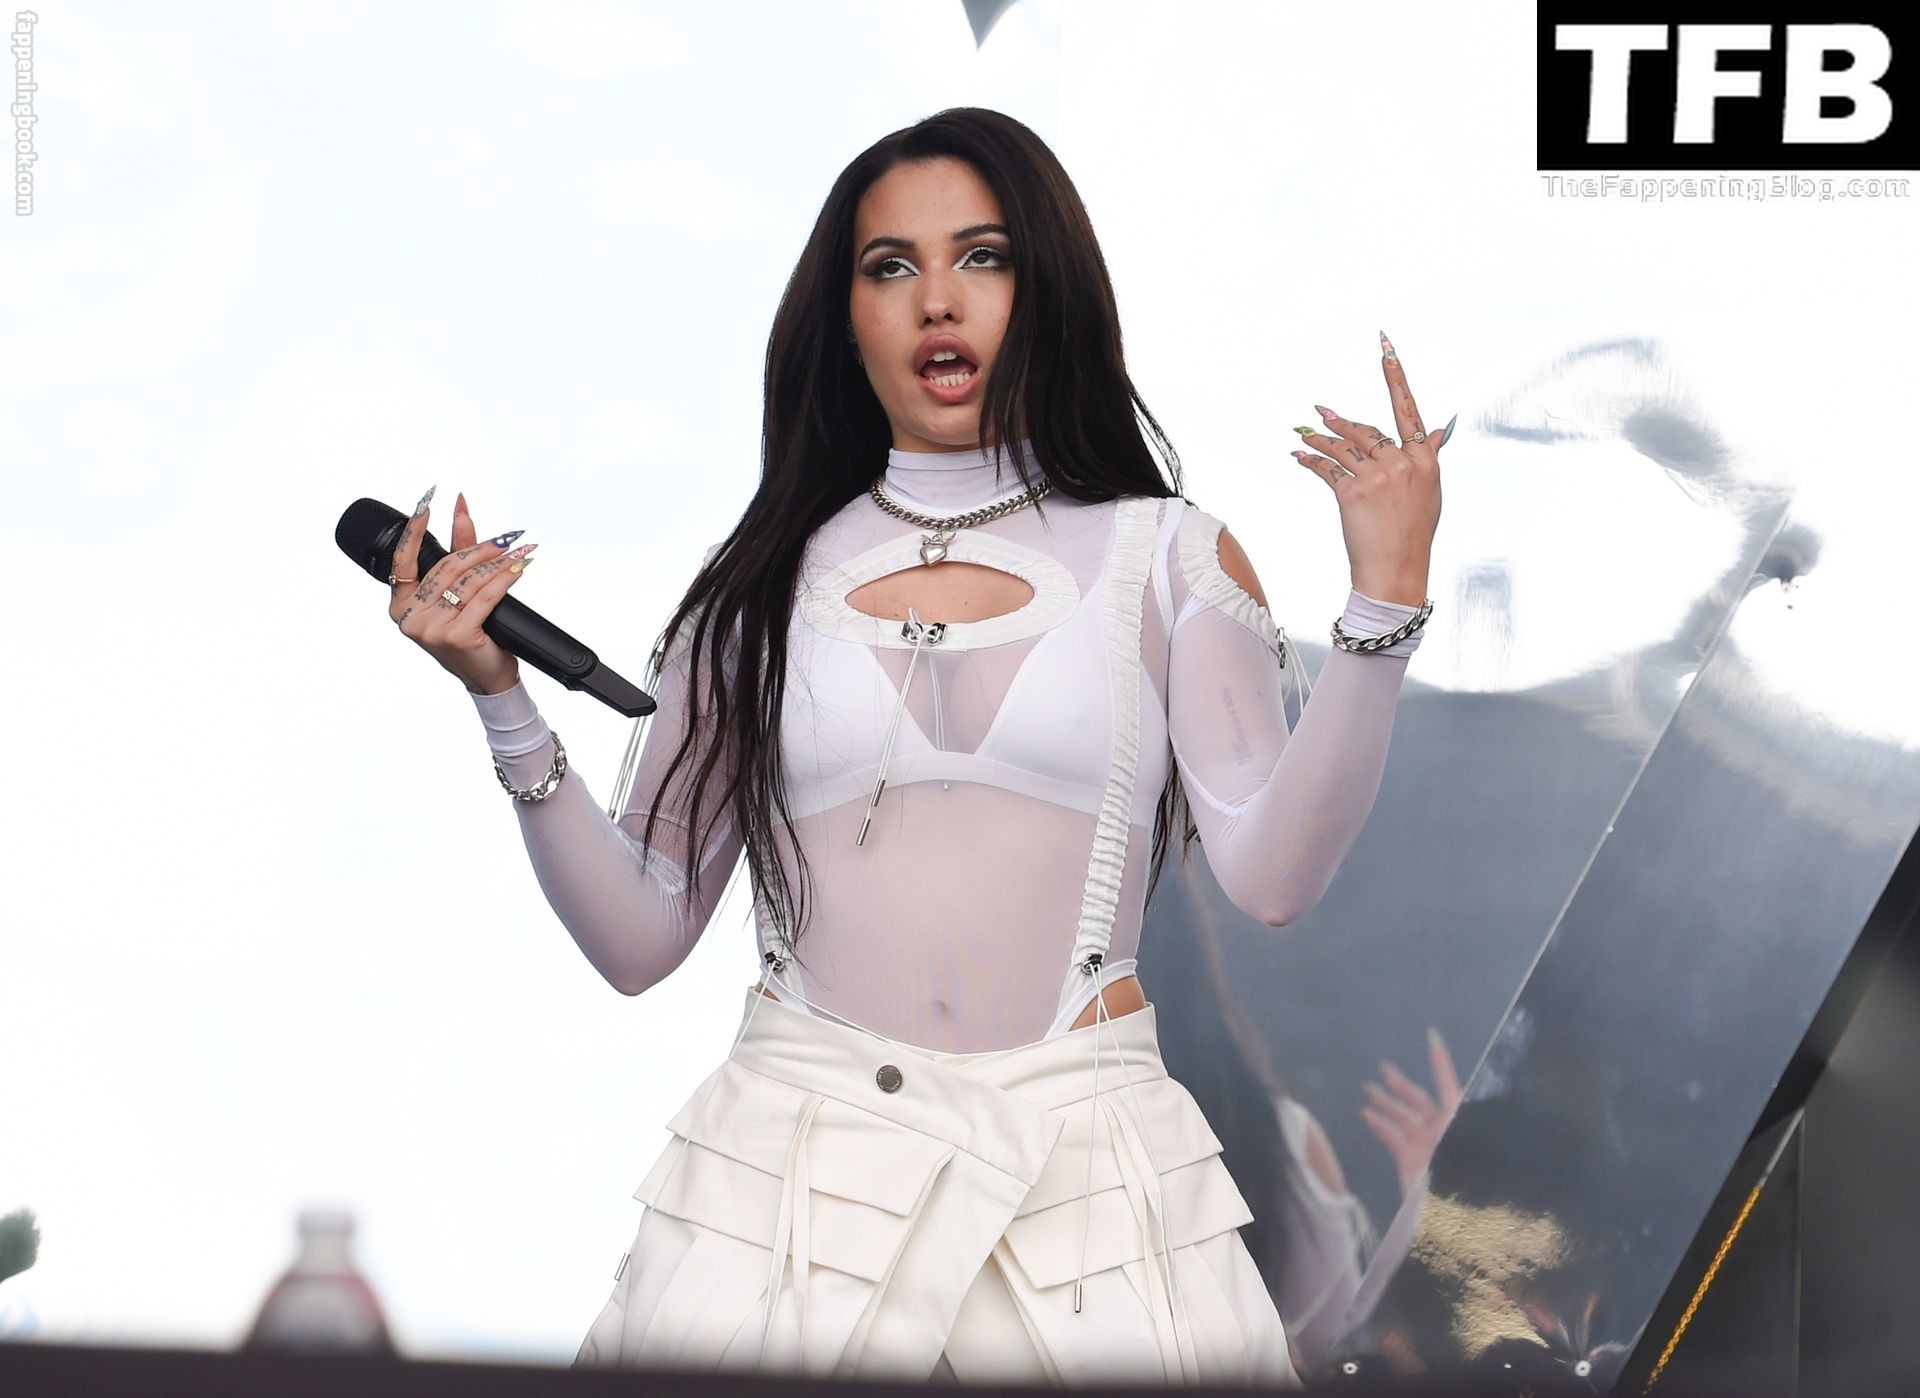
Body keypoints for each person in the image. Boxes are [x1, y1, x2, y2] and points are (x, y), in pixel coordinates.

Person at [381, 107, 1444, 1387]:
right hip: (791, 1189)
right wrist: (502, 700)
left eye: (982, 257)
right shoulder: (754, 591)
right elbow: (640, 937)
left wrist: (1383, 606)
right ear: (846, 317)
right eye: (892, 267)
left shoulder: (1168, 555)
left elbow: (1273, 878)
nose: (938, 299)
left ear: (1048, 289)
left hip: (1090, 1193)